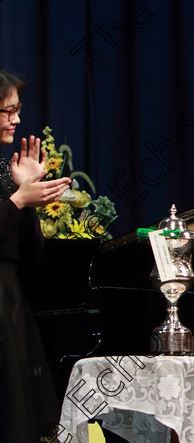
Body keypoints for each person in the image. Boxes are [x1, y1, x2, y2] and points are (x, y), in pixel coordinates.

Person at [0, 69, 71, 441]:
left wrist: (28, 200)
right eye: (7, 111)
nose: (17, 119)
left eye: (17, 109)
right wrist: (18, 200)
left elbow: (31, 257)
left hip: (9, 303)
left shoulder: (3, 170)